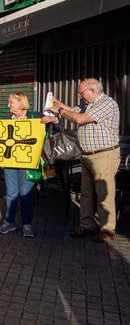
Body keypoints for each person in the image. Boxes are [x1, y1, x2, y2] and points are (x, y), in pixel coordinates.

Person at [49, 78, 120, 242]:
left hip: (103, 155)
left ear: (93, 91)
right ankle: (87, 225)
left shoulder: (107, 104)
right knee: (86, 193)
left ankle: (107, 230)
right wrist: (58, 104)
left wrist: (59, 110)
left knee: (104, 193)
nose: (80, 97)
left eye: (81, 94)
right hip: (87, 154)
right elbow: (73, 111)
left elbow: (79, 119)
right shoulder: (89, 104)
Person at [0, 92, 52, 238]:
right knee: (11, 193)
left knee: (26, 194)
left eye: (11, 102)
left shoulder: (36, 117)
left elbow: (54, 130)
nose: (8, 105)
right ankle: (9, 222)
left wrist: (53, 119)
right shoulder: (7, 120)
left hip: (29, 163)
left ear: (21, 103)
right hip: (10, 163)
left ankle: (27, 225)